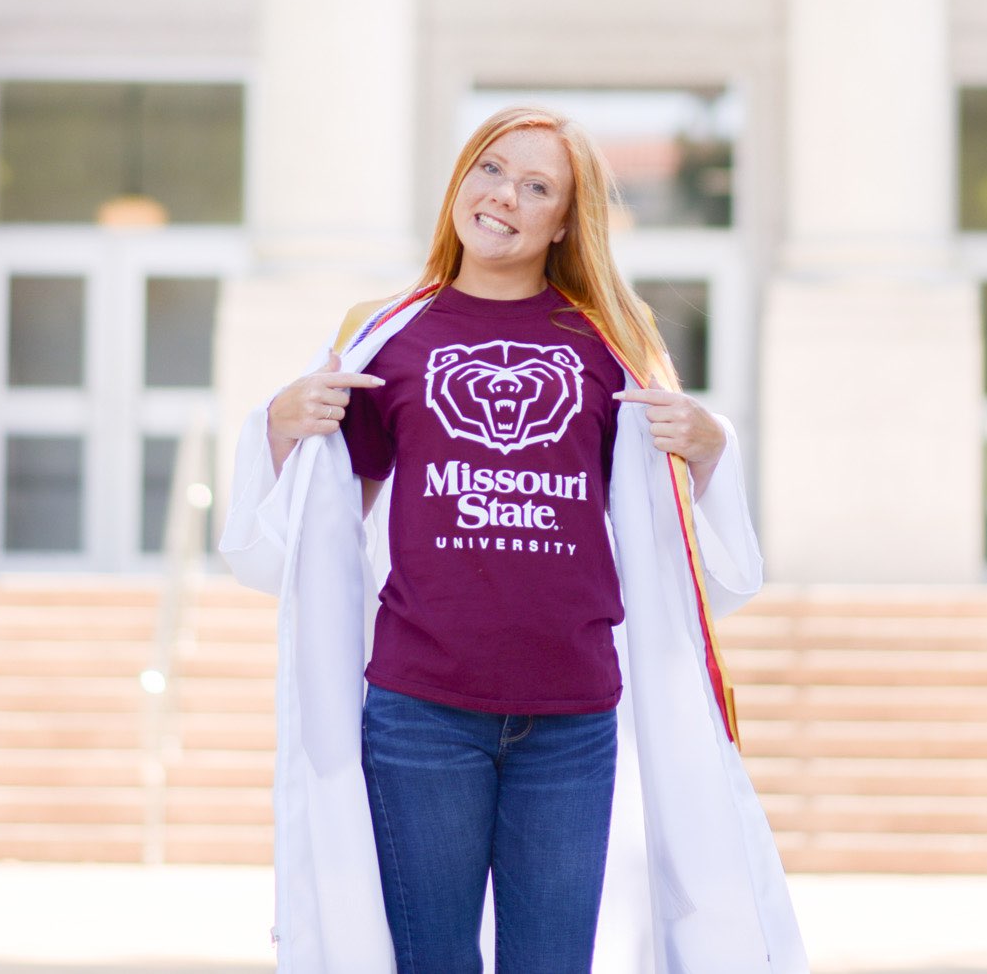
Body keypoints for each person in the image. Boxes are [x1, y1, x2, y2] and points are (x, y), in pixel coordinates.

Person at [222, 106, 804, 974]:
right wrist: (275, 424)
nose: (504, 196)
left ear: (565, 220)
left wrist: (712, 448)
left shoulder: (611, 339)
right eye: (490, 169)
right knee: (433, 961)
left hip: (570, 719)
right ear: (460, 179)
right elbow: (317, 523)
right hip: (420, 710)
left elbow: (675, 540)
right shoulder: (383, 332)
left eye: (537, 187)